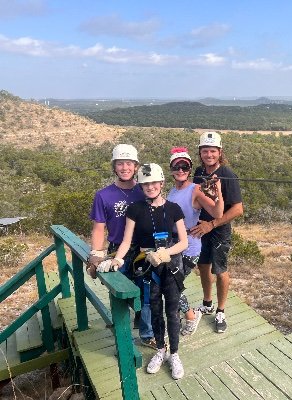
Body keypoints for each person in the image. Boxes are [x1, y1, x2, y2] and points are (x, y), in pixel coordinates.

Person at [97, 163, 188, 380]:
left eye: (154, 183)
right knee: (154, 310)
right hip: (149, 267)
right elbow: (127, 241)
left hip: (171, 266)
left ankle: (174, 354)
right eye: (146, 184)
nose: (150, 187)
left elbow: (183, 241)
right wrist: (117, 259)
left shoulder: (173, 208)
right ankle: (160, 350)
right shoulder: (135, 209)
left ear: (162, 183)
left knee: (172, 312)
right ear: (141, 185)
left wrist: (166, 253)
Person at [87, 144, 156, 349]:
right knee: (120, 295)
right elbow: (99, 228)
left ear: (135, 166)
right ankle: (123, 339)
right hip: (118, 250)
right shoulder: (104, 195)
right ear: (114, 166)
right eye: (120, 163)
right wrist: (96, 254)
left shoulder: (145, 190)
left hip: (144, 250)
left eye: (129, 163)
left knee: (146, 294)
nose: (124, 167)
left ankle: (147, 334)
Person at [167, 147, 224, 336]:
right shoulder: (171, 192)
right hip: (173, 244)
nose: (181, 170)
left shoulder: (196, 189)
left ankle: (190, 316)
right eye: (177, 166)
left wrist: (217, 193)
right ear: (171, 169)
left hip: (190, 245)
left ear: (190, 169)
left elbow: (217, 213)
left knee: (173, 284)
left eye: (185, 166)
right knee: (170, 283)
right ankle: (177, 317)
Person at [191, 132, 243, 333]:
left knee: (220, 269)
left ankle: (221, 310)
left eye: (213, 151)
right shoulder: (198, 171)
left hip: (218, 230)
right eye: (205, 151)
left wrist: (211, 225)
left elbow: (238, 209)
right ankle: (207, 302)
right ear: (200, 153)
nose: (209, 155)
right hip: (200, 227)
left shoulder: (227, 174)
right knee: (203, 265)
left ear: (220, 152)